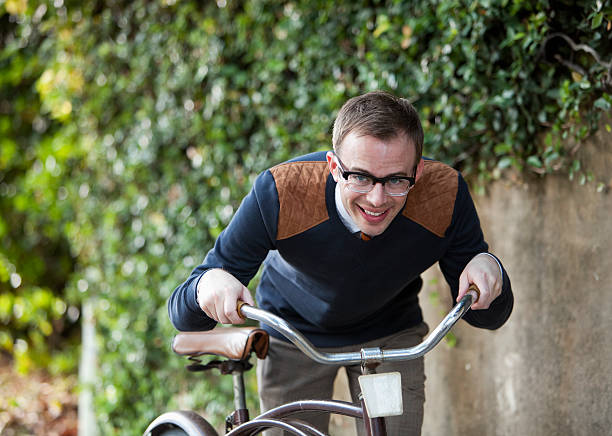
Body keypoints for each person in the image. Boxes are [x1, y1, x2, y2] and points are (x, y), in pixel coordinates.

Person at [168, 90, 513, 435]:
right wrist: (207, 285)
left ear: (417, 172)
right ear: (334, 166)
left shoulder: (443, 195)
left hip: (389, 335)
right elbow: (183, 315)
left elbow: (489, 316)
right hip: (294, 333)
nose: (377, 200)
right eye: (359, 176)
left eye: (396, 180)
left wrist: (489, 268)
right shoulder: (282, 192)